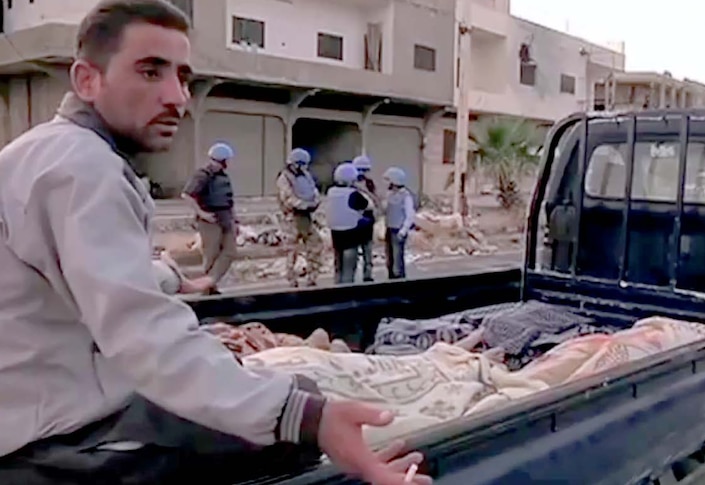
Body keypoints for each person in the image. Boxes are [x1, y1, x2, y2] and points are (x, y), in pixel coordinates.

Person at [0, 2, 430, 484]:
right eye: (150, 71)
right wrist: (312, 420)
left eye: (183, 76)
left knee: (270, 399)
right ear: (86, 80)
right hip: (53, 436)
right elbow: (141, 334)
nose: (176, 97)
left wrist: (167, 277)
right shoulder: (81, 168)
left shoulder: (53, 153)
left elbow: (82, 274)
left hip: (51, 403)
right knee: (291, 424)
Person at [181, 142, 238, 294]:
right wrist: (202, 214)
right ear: (222, 160)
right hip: (210, 220)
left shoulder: (223, 177)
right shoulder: (202, 175)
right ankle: (209, 289)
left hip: (226, 218)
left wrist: (235, 219)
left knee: (230, 251)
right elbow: (187, 195)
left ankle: (210, 281)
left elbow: (228, 199)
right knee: (211, 254)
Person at [276, 148, 324, 288]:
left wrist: (314, 202)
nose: (304, 167)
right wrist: (304, 205)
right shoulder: (284, 178)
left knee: (315, 245)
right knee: (292, 249)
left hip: (306, 217)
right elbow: (287, 198)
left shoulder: (306, 175)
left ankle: (312, 276)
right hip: (292, 217)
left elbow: (314, 191)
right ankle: (291, 278)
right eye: (302, 164)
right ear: (294, 164)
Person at [326, 163, 369, 285]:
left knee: (338, 264)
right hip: (351, 233)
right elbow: (366, 205)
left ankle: (337, 285)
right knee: (349, 266)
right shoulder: (353, 194)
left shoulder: (331, 192)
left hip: (335, 232)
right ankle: (347, 290)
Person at [382, 167, 416, 280]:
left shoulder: (406, 196)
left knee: (397, 262)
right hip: (390, 228)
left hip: (398, 230)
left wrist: (403, 230)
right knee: (390, 260)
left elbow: (410, 215)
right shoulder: (390, 194)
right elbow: (384, 208)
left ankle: (399, 281)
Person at [353, 155, 380, 282]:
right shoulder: (350, 184)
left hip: (368, 217)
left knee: (368, 248)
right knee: (353, 250)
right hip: (355, 217)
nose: (362, 173)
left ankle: (367, 274)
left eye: (365, 170)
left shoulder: (369, 183)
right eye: (360, 170)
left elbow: (375, 198)